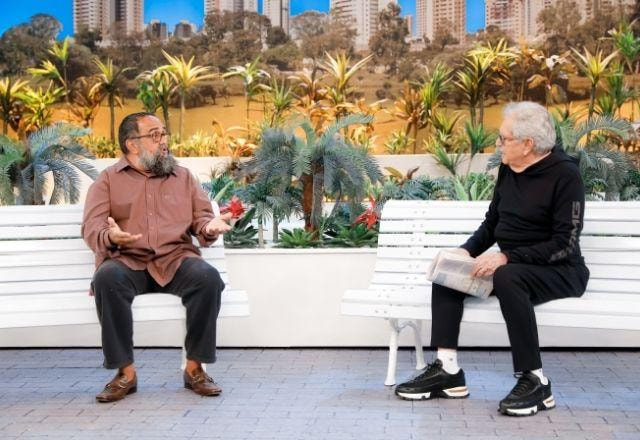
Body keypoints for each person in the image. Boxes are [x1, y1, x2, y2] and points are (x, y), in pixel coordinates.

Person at [394, 102, 590, 417]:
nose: (497, 145)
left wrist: (506, 257)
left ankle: (535, 380)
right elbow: (492, 223)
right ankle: (448, 371)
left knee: (507, 275)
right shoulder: (508, 169)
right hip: (511, 267)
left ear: (528, 145)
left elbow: (565, 244)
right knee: (449, 273)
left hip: (558, 271)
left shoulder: (565, 175)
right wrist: (466, 251)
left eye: (503, 138)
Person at [82, 112, 233, 402]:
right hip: (128, 261)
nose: (163, 141)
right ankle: (125, 373)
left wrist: (209, 227)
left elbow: (202, 221)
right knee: (107, 278)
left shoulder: (184, 177)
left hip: (175, 259)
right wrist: (110, 236)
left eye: (163, 134)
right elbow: (92, 227)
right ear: (132, 144)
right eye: (154, 135)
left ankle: (194, 369)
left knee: (207, 278)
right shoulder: (108, 181)